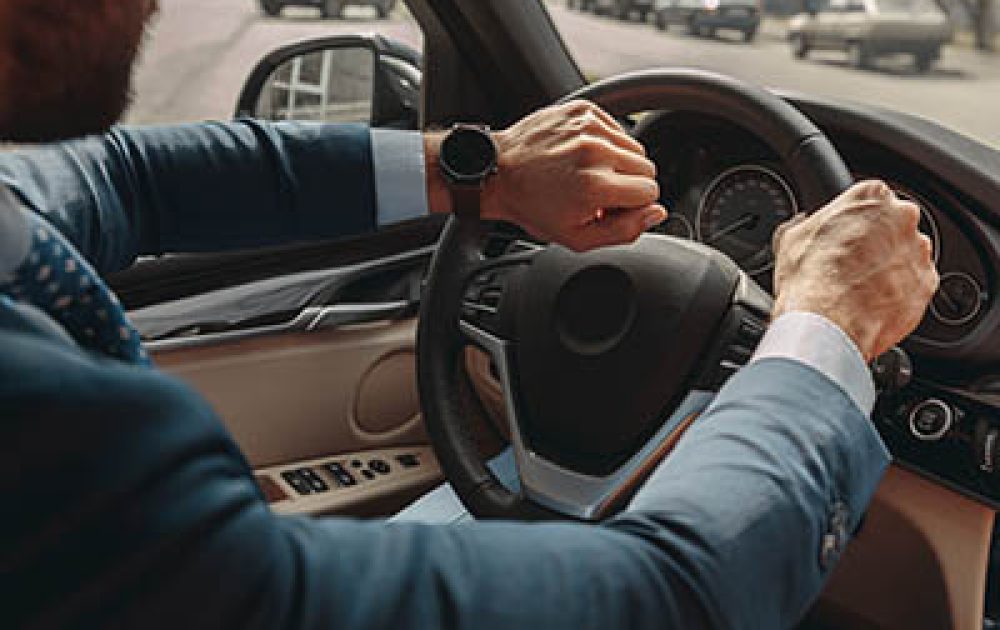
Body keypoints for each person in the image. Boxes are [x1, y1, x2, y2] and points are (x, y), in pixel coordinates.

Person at [0, 1, 938, 628]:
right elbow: (670, 600)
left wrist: (482, 172)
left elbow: (123, 178)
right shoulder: (55, 443)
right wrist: (822, 326)